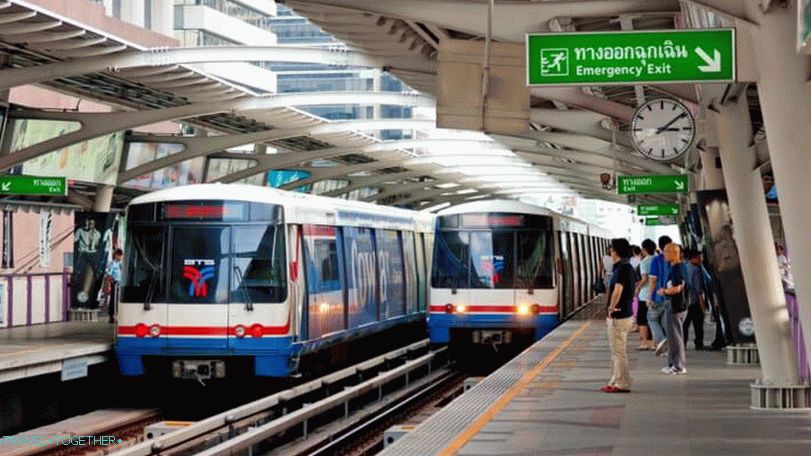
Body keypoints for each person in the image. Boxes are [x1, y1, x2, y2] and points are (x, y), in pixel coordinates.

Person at [601, 238, 636, 393]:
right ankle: (615, 380)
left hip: (619, 316)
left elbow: (618, 290)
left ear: (616, 251)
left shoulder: (622, 269)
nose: (610, 252)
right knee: (616, 351)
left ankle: (621, 383)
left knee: (619, 351)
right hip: (623, 314)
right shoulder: (625, 267)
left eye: (611, 249)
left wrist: (611, 307)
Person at [658, 243, 688, 375]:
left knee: (675, 337)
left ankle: (678, 366)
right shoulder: (676, 267)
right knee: (672, 337)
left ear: (673, 253)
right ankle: (672, 364)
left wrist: (665, 291)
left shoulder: (678, 268)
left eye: (665, 252)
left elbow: (678, 288)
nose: (663, 254)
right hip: (675, 305)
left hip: (676, 306)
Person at [647, 235, 672, 356]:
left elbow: (652, 281)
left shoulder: (656, 261)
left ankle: (662, 341)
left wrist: (648, 297)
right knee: (664, 322)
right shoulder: (674, 260)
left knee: (651, 319)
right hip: (671, 297)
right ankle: (667, 349)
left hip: (658, 297)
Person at [634, 239, 657, 351]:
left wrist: (638, 287)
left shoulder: (645, 261)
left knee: (642, 320)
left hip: (645, 296)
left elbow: (645, 278)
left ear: (644, 249)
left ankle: (644, 343)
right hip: (656, 295)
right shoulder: (658, 259)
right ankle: (655, 343)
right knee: (654, 319)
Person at [683, 250, 707, 350]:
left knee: (685, 324)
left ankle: (682, 343)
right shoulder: (696, 270)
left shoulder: (684, 267)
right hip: (695, 301)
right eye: (699, 257)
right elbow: (698, 289)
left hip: (685, 301)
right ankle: (699, 343)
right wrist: (703, 306)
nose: (701, 260)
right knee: (698, 324)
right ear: (694, 258)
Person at [102, 249, 123, 323]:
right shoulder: (112, 264)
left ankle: (118, 316)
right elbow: (108, 275)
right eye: (120, 255)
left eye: (121, 256)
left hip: (121, 284)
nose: (121, 257)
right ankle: (112, 316)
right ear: (116, 255)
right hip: (115, 284)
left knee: (119, 301)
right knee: (113, 301)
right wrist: (110, 284)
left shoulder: (121, 264)